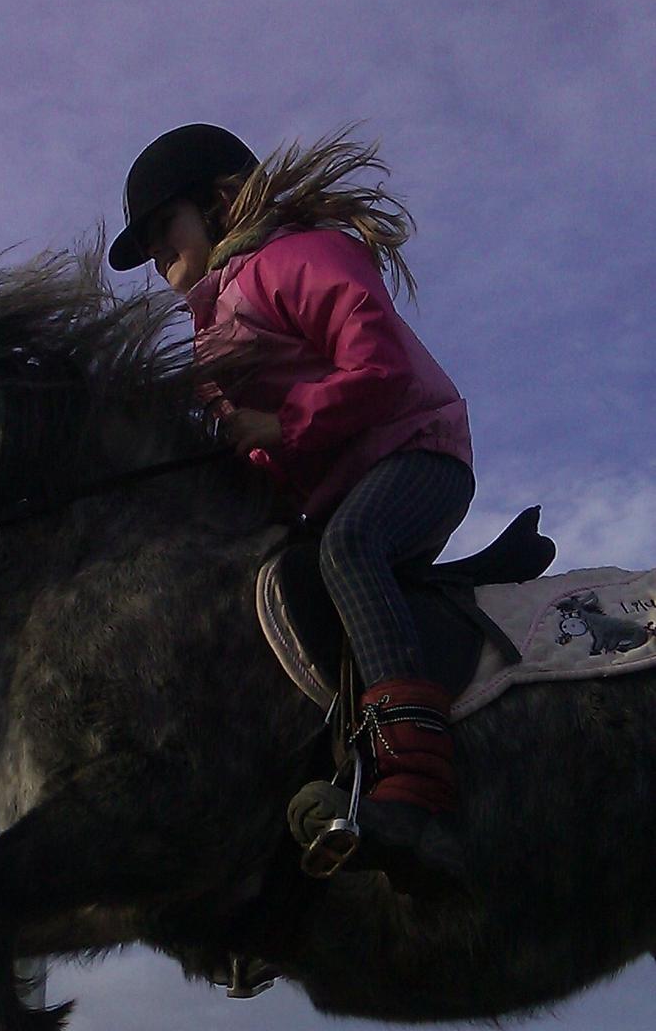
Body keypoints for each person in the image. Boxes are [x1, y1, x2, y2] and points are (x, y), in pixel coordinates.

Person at [109, 123, 474, 876]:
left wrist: (282, 423)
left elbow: (381, 371)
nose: (153, 255)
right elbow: (264, 466)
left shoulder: (296, 257)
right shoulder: (210, 336)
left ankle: (418, 783)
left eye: (158, 229)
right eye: (143, 245)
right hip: (340, 490)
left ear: (218, 203)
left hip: (418, 455)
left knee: (350, 552)